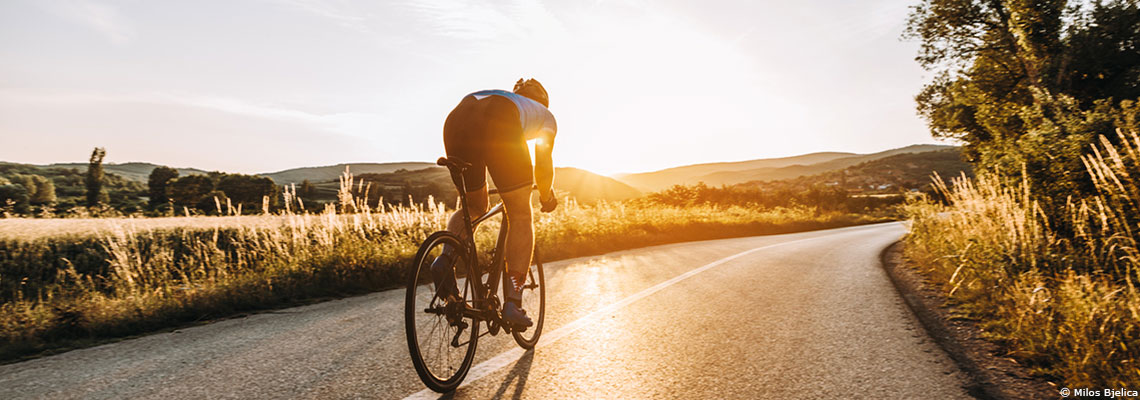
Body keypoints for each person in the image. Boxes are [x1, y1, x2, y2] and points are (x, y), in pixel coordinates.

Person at [431, 78, 558, 328]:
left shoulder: (501, 96)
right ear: (542, 101)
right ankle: (513, 302)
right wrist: (546, 195)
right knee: (520, 215)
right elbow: (543, 165)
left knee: (474, 207)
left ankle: (445, 260)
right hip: (500, 122)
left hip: (457, 119)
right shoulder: (545, 114)